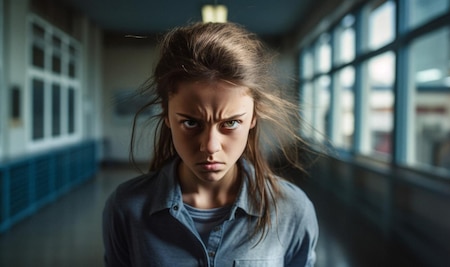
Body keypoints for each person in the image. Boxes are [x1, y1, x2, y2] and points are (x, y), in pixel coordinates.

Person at [102, 22, 318, 267]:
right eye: (191, 123)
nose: (210, 146)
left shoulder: (292, 209)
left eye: (231, 123)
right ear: (167, 116)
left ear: (253, 118)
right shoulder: (126, 208)